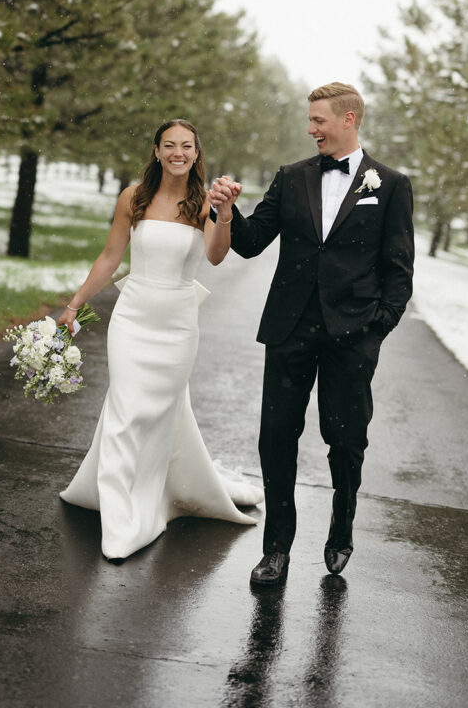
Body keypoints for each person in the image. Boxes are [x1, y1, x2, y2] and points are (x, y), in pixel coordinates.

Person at [209, 82, 414, 585]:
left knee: (345, 441)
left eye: (319, 120)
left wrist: (374, 330)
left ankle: (341, 529)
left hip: (352, 337)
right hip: (289, 328)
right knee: (277, 437)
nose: (310, 129)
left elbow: (398, 270)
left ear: (349, 119)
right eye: (310, 120)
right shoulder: (292, 177)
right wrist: (227, 209)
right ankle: (275, 549)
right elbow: (253, 242)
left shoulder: (389, 185)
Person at [57, 119, 262, 560]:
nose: (178, 153)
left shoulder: (203, 203)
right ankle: (121, 521)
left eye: (186, 146)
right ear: (156, 151)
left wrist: (224, 213)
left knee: (158, 417)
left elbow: (215, 254)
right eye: (169, 145)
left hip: (177, 325)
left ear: (196, 152)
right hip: (132, 319)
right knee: (126, 411)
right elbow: (112, 255)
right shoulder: (133, 198)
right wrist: (75, 305)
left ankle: (154, 496)